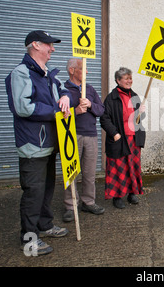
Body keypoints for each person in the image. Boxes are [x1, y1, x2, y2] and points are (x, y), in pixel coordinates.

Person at [5, 30, 71, 256]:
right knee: (33, 192)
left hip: (50, 143)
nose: (52, 49)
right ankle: (29, 240)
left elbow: (64, 90)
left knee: (46, 189)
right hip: (33, 145)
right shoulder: (22, 73)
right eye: (48, 45)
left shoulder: (48, 74)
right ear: (35, 45)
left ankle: (45, 225)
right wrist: (56, 111)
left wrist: (65, 97)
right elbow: (23, 107)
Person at [62, 58, 105, 222]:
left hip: (91, 135)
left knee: (89, 173)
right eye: (83, 68)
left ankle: (88, 202)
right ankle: (70, 206)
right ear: (72, 70)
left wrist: (90, 104)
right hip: (72, 136)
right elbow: (57, 115)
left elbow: (101, 110)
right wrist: (76, 111)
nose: (87, 72)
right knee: (71, 173)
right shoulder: (63, 90)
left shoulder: (90, 89)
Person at [100, 67, 146, 209]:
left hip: (134, 139)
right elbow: (104, 118)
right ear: (118, 80)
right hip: (119, 139)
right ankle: (117, 196)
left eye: (130, 78)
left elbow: (139, 119)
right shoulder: (111, 98)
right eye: (126, 78)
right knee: (118, 168)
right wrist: (114, 133)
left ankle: (132, 193)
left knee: (133, 167)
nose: (129, 81)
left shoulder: (135, 96)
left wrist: (141, 112)